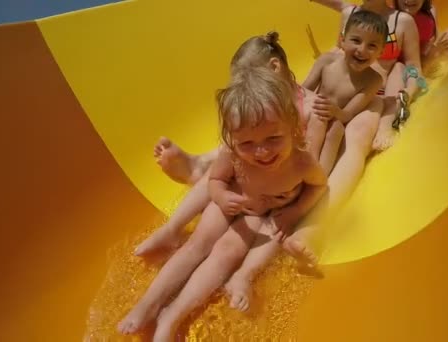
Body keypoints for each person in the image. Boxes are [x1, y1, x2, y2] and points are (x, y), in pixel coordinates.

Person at [119, 67, 328, 341]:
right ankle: (148, 304)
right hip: (231, 200)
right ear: (231, 138)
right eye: (247, 143)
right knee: (196, 246)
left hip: (263, 215)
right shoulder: (233, 156)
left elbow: (319, 185)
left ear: (293, 127)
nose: (262, 152)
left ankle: (172, 316)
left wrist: (295, 212)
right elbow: (215, 180)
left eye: (273, 139)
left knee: (225, 254)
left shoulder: (301, 163)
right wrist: (221, 196)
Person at [310, 0, 424, 150]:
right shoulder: (349, 13)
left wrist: (409, 91)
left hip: (380, 92)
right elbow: (339, 49)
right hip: (347, 86)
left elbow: (413, 65)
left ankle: (386, 125)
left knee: (399, 67)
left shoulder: (402, 21)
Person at [302, 9, 387, 174]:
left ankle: (320, 175)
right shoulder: (326, 61)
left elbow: (348, 114)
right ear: (342, 40)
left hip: (336, 120)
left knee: (336, 129)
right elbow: (305, 90)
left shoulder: (373, 80)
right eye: (356, 40)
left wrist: (335, 111)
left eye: (372, 46)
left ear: (381, 52)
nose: (362, 50)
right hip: (313, 113)